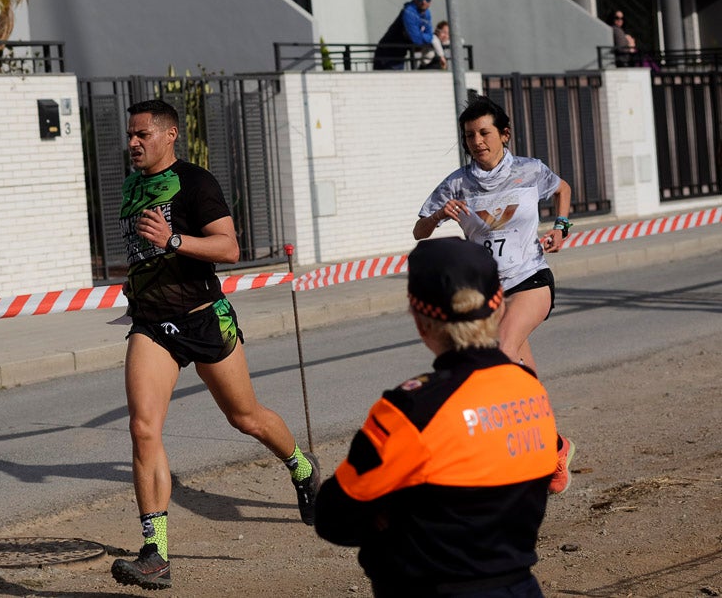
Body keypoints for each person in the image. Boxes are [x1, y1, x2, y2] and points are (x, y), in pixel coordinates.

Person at [110, 99, 320, 590]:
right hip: (151, 323)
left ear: (169, 135)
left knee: (245, 418)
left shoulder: (196, 183)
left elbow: (229, 247)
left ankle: (302, 467)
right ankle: (155, 553)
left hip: (204, 319)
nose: (133, 142)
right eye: (130, 134)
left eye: (142, 134)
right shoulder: (130, 186)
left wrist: (174, 241)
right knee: (144, 429)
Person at [314, 237, 559, 597]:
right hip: (520, 586)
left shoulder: (412, 409)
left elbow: (333, 516)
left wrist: (390, 518)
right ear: (499, 308)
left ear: (421, 322)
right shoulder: (530, 389)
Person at [412, 95, 575, 494]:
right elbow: (419, 231)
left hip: (531, 280)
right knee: (525, 378)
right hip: (489, 293)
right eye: (470, 135)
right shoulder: (457, 183)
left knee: (500, 354)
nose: (477, 141)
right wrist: (436, 217)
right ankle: (554, 447)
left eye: (484, 132)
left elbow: (563, 189)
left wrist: (562, 227)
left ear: (503, 134)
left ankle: (497, 460)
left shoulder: (528, 171)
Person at [373, 0, 435, 70]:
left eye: (428, 0)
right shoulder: (409, 11)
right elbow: (416, 40)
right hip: (387, 54)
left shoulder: (426, 13)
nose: (424, 2)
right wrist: (423, 37)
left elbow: (430, 36)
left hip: (399, 54)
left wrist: (421, 35)